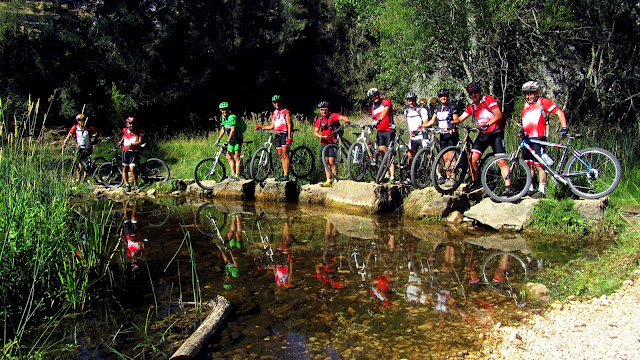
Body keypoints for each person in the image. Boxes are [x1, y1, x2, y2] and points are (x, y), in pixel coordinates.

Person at [454, 82, 509, 193]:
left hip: (496, 134)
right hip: (483, 135)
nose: (473, 95)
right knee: (472, 159)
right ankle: (475, 182)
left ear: (480, 92)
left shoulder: (488, 100)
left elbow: (498, 115)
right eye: (471, 94)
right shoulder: (472, 107)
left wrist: (487, 124)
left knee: (501, 161)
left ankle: (508, 187)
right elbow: (460, 119)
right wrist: (450, 122)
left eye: (475, 92)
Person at [521, 80, 568, 198]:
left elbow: (559, 113)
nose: (528, 96)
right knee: (528, 165)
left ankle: (542, 190)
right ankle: (530, 188)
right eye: (526, 94)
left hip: (539, 138)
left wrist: (564, 128)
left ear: (537, 92)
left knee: (539, 165)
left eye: (530, 93)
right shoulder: (526, 104)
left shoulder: (543, 102)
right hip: (527, 138)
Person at [424, 89, 459, 186]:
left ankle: (453, 177)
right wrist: (423, 126)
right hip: (442, 134)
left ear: (447, 96)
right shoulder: (438, 108)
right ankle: (448, 177)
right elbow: (432, 121)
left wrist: (451, 125)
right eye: (441, 96)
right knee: (445, 157)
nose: (443, 98)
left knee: (451, 156)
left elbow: (456, 119)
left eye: (445, 96)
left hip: (451, 134)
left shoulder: (452, 107)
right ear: (439, 98)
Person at [255, 95, 293, 182]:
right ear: (273, 103)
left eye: (278, 102)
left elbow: (289, 124)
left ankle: (286, 175)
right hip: (277, 135)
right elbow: (272, 126)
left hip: (285, 134)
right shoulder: (274, 113)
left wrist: (289, 136)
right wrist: (261, 127)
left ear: (281, 102)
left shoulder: (285, 111)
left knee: (285, 154)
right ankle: (284, 173)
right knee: (280, 155)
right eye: (275, 102)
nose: (277, 104)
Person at [313, 101, 350, 187]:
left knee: (332, 161)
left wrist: (347, 121)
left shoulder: (332, 116)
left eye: (325, 110)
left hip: (333, 142)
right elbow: (315, 132)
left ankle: (336, 180)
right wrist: (321, 136)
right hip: (324, 142)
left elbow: (343, 117)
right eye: (321, 110)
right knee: (326, 161)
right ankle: (328, 180)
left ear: (328, 109)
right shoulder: (320, 119)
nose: (323, 112)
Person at [61, 113, 101, 183]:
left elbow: (98, 131)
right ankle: (78, 178)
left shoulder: (88, 128)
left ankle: (85, 179)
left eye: (83, 120)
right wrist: (64, 143)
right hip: (79, 148)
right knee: (78, 163)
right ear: (78, 121)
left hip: (87, 147)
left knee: (86, 164)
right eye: (80, 120)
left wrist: (95, 140)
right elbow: (69, 135)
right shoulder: (75, 128)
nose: (82, 121)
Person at [367, 87, 396, 183]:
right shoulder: (373, 108)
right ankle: (386, 175)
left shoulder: (386, 101)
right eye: (372, 97)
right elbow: (374, 120)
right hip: (380, 132)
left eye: (376, 95)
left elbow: (385, 111)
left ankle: (392, 176)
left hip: (389, 130)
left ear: (378, 95)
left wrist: (379, 120)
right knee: (383, 154)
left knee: (389, 154)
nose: (375, 97)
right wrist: (372, 126)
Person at [403, 91, 429, 184]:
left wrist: (421, 127)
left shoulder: (422, 110)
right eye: (409, 100)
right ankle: (410, 177)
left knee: (429, 155)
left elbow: (426, 122)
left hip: (422, 136)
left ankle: (438, 175)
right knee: (410, 157)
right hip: (413, 137)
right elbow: (409, 123)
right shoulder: (406, 111)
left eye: (412, 100)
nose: (411, 102)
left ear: (415, 100)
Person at [214, 102, 244, 181]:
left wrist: (227, 141)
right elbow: (223, 129)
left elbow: (233, 131)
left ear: (228, 109)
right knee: (228, 156)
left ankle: (237, 176)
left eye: (225, 109)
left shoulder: (232, 117)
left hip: (237, 138)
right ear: (220, 110)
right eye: (222, 110)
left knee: (236, 157)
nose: (224, 111)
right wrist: (218, 139)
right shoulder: (223, 117)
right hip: (231, 139)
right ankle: (232, 174)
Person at [118, 117, 144, 192]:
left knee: (133, 169)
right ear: (127, 124)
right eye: (129, 123)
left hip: (134, 151)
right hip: (125, 151)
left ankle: (135, 184)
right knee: (124, 168)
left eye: (132, 123)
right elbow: (123, 136)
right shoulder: (125, 130)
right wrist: (120, 142)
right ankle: (127, 184)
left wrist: (132, 144)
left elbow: (140, 141)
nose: (131, 125)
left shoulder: (139, 131)